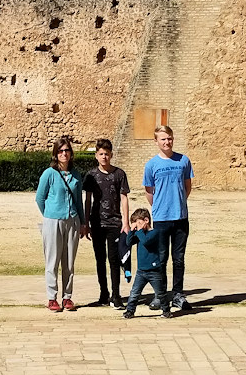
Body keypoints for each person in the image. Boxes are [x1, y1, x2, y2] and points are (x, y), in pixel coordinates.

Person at [142, 124, 193, 312]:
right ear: (156, 142)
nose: (167, 142)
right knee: (161, 259)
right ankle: (160, 295)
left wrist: (177, 203)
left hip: (180, 217)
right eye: (163, 139)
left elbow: (187, 187)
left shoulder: (183, 161)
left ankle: (178, 294)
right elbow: (149, 191)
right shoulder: (151, 165)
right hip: (161, 219)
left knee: (178, 259)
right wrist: (159, 207)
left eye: (169, 138)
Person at [33, 136, 87, 312]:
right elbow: (40, 198)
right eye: (61, 151)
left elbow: (79, 200)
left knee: (69, 261)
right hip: (53, 220)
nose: (64, 154)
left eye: (67, 150)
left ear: (71, 153)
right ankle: (51, 297)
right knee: (52, 260)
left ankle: (67, 297)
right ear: (56, 154)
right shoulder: (49, 173)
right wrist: (50, 214)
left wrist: (83, 222)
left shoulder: (76, 175)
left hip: (72, 219)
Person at [82, 138, 131, 309]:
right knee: (100, 259)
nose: (104, 157)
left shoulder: (119, 174)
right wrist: (86, 222)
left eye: (107, 154)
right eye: (101, 154)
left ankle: (116, 295)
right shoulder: (91, 175)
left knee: (114, 259)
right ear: (96, 155)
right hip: (97, 222)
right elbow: (87, 200)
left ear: (111, 155)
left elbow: (124, 198)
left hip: (114, 222)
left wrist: (126, 222)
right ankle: (104, 293)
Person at [121, 208, 171, 319]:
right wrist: (132, 231)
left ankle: (166, 310)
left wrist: (138, 232)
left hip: (154, 271)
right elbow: (128, 242)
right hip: (141, 271)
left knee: (160, 292)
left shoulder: (154, 233)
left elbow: (146, 241)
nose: (137, 226)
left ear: (146, 220)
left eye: (138, 223)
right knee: (134, 293)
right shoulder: (139, 235)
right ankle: (130, 311)